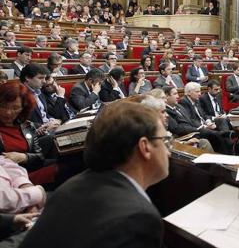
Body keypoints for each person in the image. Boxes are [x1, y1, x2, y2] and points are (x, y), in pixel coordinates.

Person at [20, 102, 169, 248]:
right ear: (145, 147)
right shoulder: (137, 217)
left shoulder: (74, 185)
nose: (168, 151)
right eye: (165, 140)